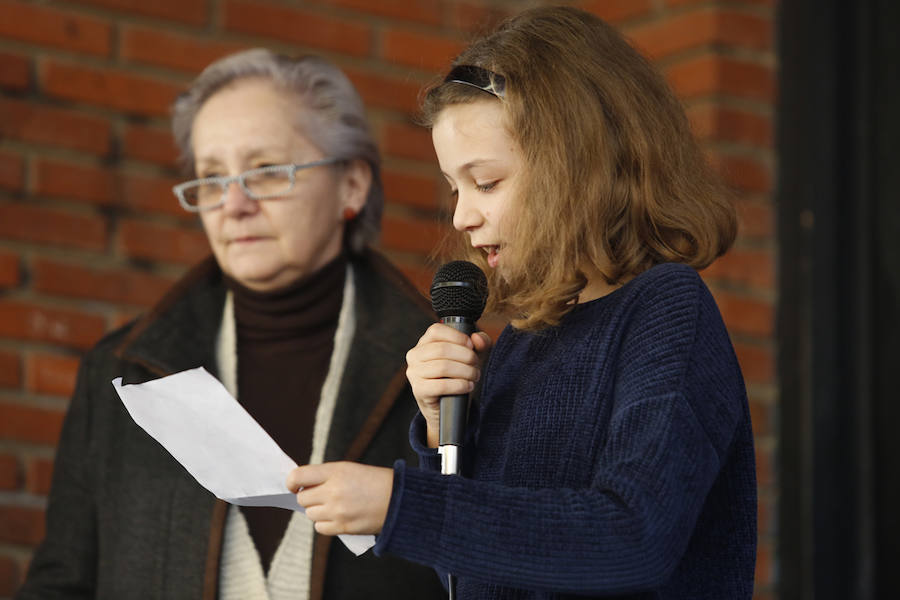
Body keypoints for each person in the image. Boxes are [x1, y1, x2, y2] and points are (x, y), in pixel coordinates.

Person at [286, 6, 757, 599]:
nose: (462, 215)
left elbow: (634, 537)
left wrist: (400, 504)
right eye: (455, 188)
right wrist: (440, 436)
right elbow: (477, 578)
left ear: (578, 165)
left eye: (486, 183)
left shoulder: (665, 310)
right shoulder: (522, 344)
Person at [16, 49, 446, 600]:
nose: (232, 204)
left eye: (266, 172)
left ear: (352, 186)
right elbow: (63, 583)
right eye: (211, 178)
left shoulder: (439, 374)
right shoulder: (121, 372)